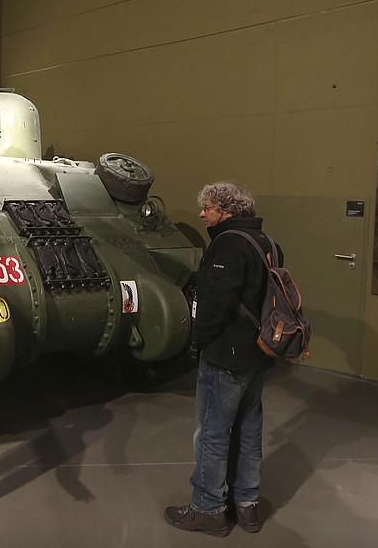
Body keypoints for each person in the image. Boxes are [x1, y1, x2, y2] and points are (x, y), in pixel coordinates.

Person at [165, 181, 280, 537]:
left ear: (227, 212)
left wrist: (199, 341)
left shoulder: (227, 244)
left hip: (226, 355)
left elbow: (215, 304)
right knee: (249, 428)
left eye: (208, 208)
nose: (202, 214)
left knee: (213, 433)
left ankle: (209, 508)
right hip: (258, 352)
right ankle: (246, 506)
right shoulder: (268, 243)